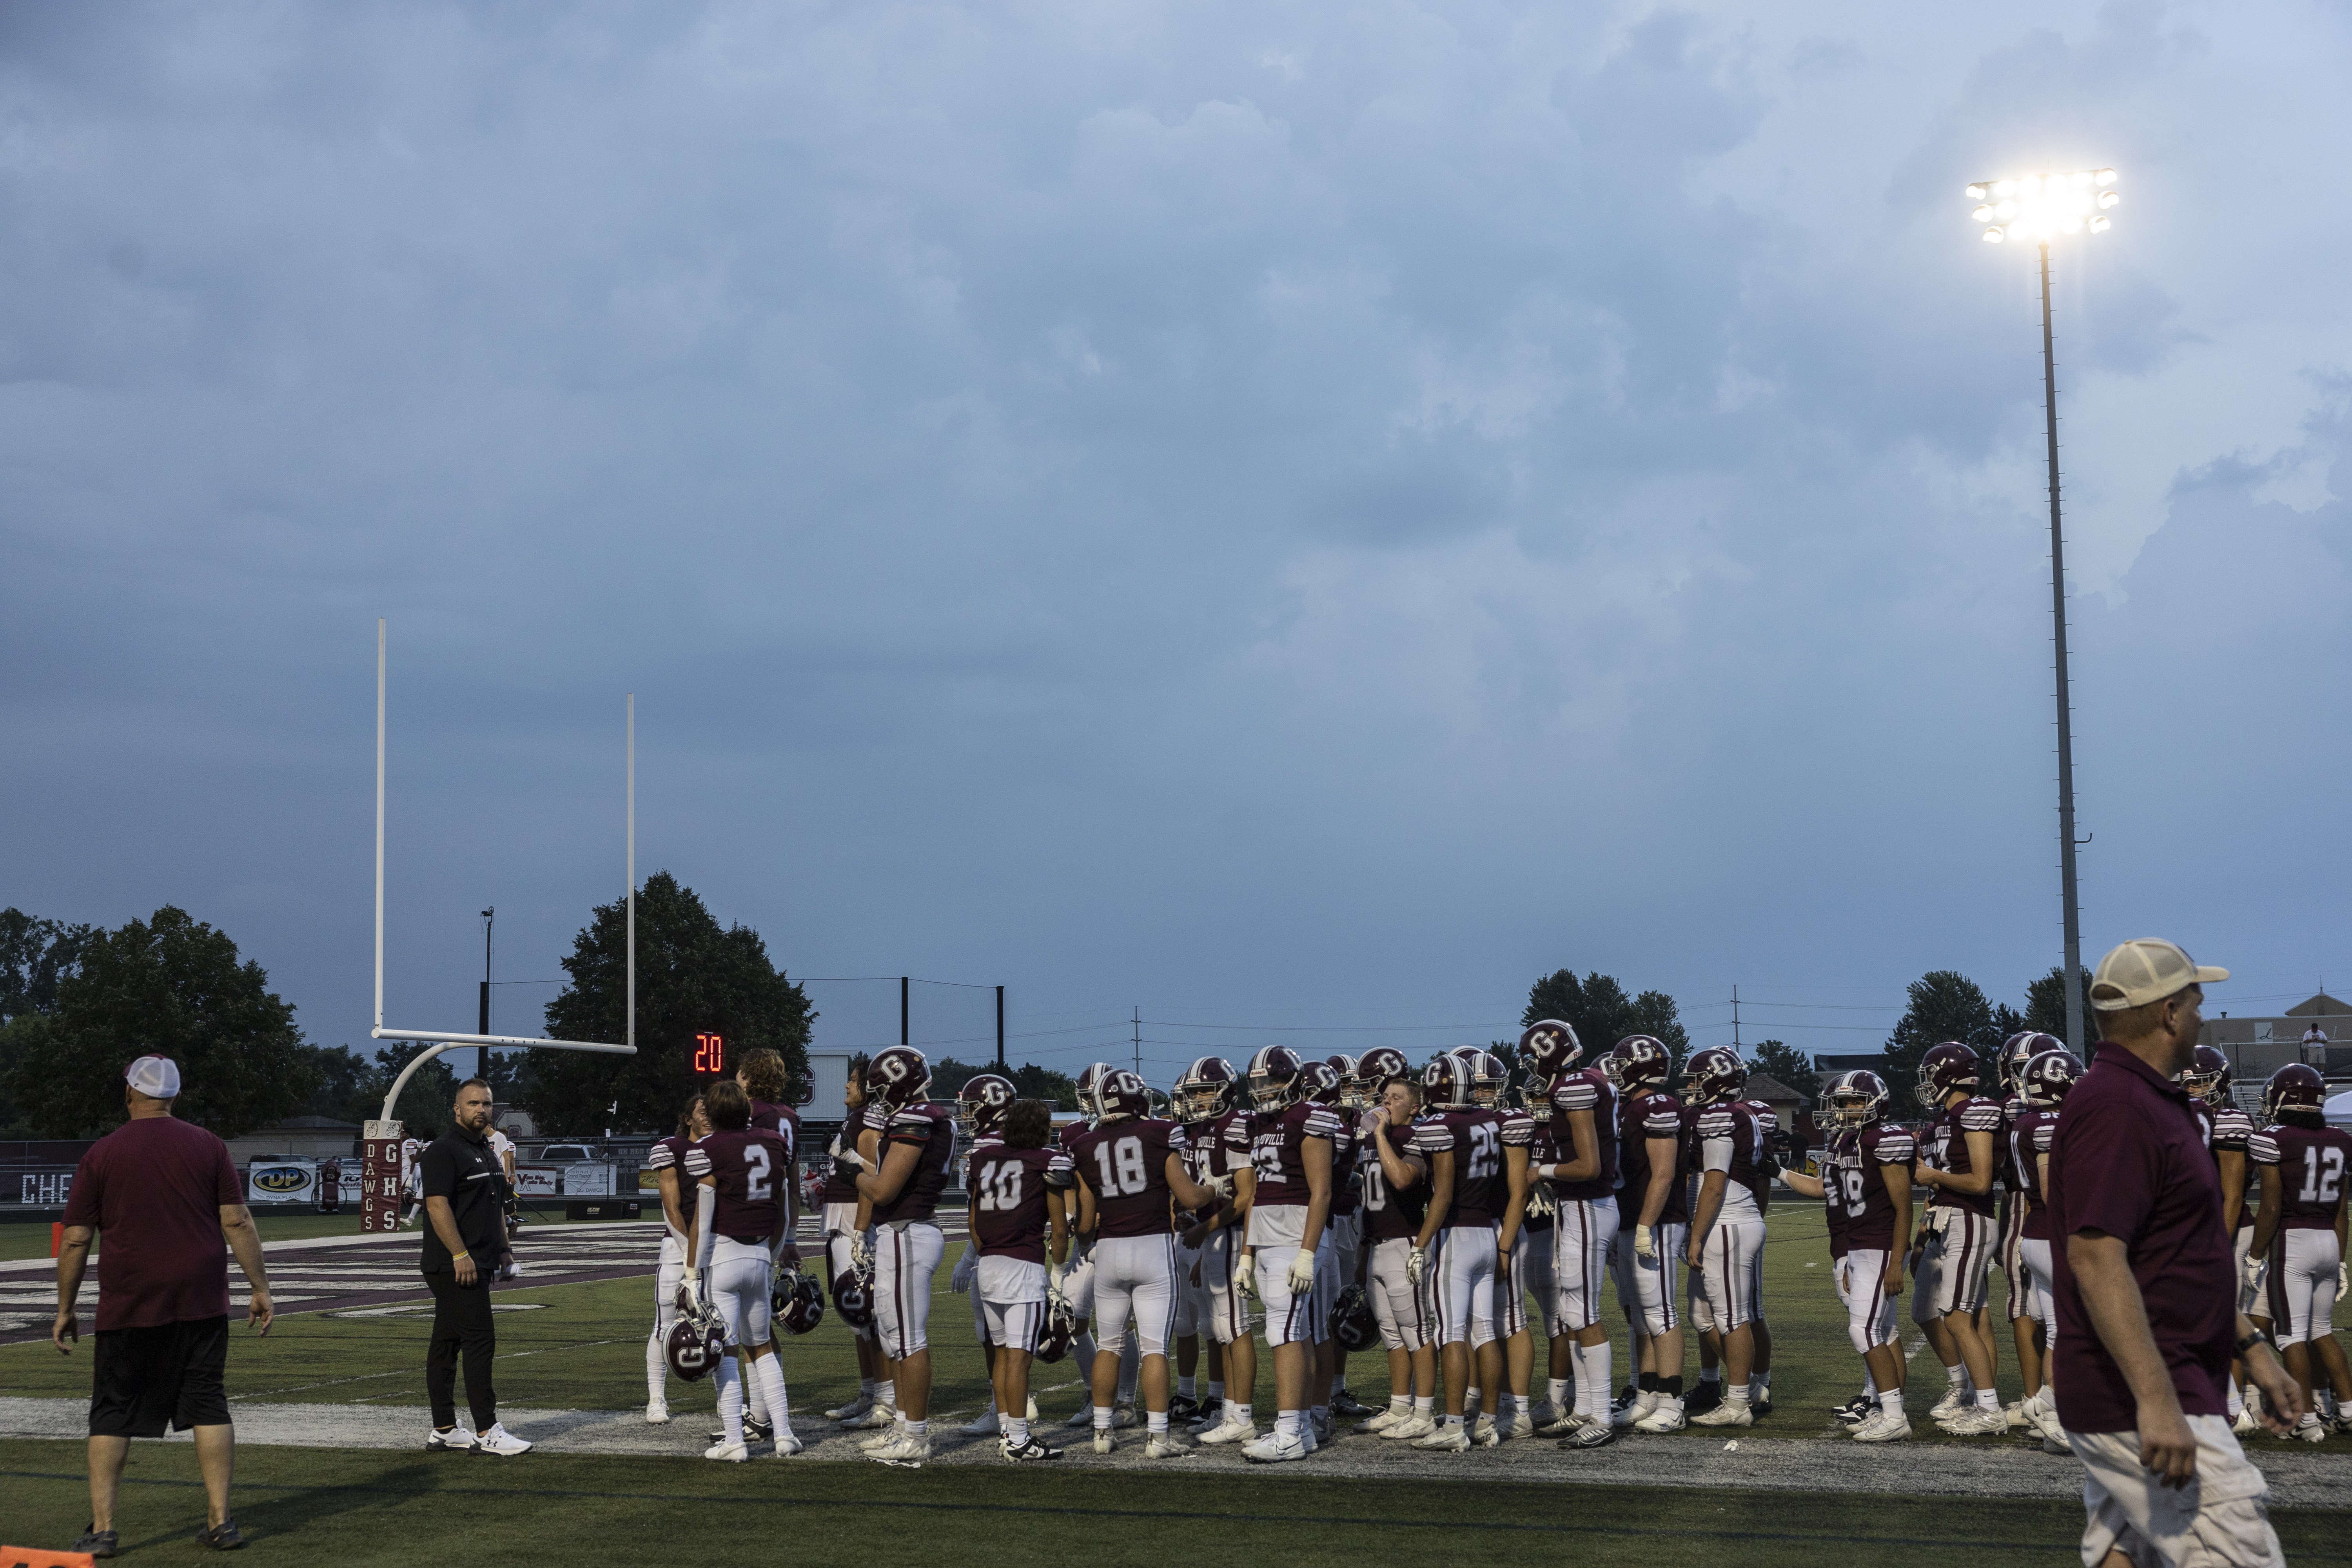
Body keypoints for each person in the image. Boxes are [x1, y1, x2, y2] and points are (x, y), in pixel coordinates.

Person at [2048, 938, 2301, 1568]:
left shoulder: (2148, 1099)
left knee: (2125, 1556)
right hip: (2147, 1388)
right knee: (2242, 1553)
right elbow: (2097, 1257)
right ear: (2167, 1013)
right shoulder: (2119, 1105)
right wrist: (2157, 1398)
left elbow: (2178, 1259)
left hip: (2155, 1377)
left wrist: (2250, 1349)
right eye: (2195, 1000)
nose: (2202, 1014)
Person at [54, 1055, 273, 1555]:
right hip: (200, 1295)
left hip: (130, 1298)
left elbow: (76, 1239)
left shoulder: (103, 1153)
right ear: (175, 1095)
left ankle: (105, 1529)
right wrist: (259, 1286)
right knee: (208, 1401)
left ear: (129, 1092)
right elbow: (237, 1220)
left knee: (112, 1410)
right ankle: (221, 1522)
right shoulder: (209, 1145)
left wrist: (65, 1306)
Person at [1067, 1067, 1218, 1456]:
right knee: (1153, 1349)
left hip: (1110, 1251)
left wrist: (1083, 1241)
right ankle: (1158, 1438)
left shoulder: (1085, 1144)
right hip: (1152, 1248)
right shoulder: (1157, 1134)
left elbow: (1084, 1223)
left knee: (1108, 1346)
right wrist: (1213, 1187)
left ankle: (1102, 1433)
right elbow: (1189, 1198)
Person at [842, 1044, 956, 1467]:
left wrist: (849, 1170)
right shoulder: (921, 1116)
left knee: (909, 1339)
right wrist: (853, 1160)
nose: (879, 1097)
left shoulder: (917, 1118)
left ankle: (917, 1435)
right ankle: (904, 1426)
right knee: (894, 1336)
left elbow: (884, 1189)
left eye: (881, 1089)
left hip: (909, 1231)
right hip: (900, 1232)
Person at [680, 1079, 799, 1461]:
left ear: (713, 1114)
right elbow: (782, 1206)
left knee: (727, 1350)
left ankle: (735, 1439)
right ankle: (784, 1434)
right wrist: (773, 1251)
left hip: (724, 1258)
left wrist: (691, 1275)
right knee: (762, 1347)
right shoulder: (773, 1141)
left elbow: (703, 1215)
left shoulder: (708, 1148)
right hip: (760, 1255)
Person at [1235, 1044, 1339, 1464]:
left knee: (1282, 1332)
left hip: (1296, 1237)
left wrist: (1308, 1252)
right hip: (1267, 1236)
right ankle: (1304, 1428)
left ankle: (1289, 1433)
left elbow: (1322, 1190)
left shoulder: (1308, 1117)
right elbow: (1256, 1194)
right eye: (1258, 1084)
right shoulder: (1260, 1123)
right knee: (1297, 1332)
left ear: (1293, 1080)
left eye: (1272, 1082)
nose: (1265, 1091)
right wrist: (1245, 1254)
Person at [1519, 1019, 1619, 1448]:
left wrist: (1539, 1170)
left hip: (1588, 1204)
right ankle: (1584, 1409)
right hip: (1580, 1206)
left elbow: (1588, 1166)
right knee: (1570, 1310)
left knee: (1583, 1313)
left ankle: (1601, 1414)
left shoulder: (1573, 1087)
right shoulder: (1588, 1079)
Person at [957, 1091, 1071, 1460]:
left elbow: (974, 1221)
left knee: (1004, 1354)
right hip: (1022, 1267)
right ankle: (1020, 1440)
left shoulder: (985, 1158)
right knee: (1020, 1357)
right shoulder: (1045, 1161)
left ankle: (1008, 1431)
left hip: (988, 1266)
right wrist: (1057, 1273)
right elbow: (1058, 1230)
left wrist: (988, 1249)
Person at [420, 1078, 530, 1457]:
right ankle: (487, 1431)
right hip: (453, 1264)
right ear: (457, 1109)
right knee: (480, 1340)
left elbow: (496, 1204)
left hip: (479, 1260)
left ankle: (445, 1428)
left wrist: (504, 1250)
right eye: (473, 1104)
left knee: (447, 1343)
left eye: (486, 1104)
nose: (481, 1110)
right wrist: (459, 1254)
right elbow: (437, 1206)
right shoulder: (443, 1150)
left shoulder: (486, 1148)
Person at [2244, 1063, 2352, 1441]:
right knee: (2322, 1330)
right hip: (2327, 1239)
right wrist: (2339, 1259)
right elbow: (2342, 1210)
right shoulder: (2340, 1138)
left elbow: (2271, 1207)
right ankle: (2348, 1410)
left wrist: (2255, 1254)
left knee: (2291, 1336)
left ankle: (2305, 1419)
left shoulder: (2274, 1138)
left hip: (2294, 1241)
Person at [1909, 1040, 2007, 1434]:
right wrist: (1920, 1238)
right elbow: (1935, 1192)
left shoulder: (1974, 1112)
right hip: (1942, 1221)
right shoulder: (1937, 1125)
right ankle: (1965, 1390)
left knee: (1959, 1315)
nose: (1925, 1084)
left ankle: (1987, 1406)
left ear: (1946, 1076)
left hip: (1969, 1220)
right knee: (1930, 1310)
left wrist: (1934, 1176)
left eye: (1929, 1075)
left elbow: (1981, 1181)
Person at [1608, 1034, 1688, 1432]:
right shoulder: (1629, 1107)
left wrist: (1645, 1224)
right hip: (1630, 1218)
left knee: (1661, 1312)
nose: (1615, 1071)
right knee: (1638, 1315)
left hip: (1655, 1221)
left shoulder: (1658, 1105)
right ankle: (1647, 1394)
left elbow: (1664, 1172)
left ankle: (1673, 1403)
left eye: (1621, 1064)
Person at [642, 1094, 709, 1424]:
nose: (709, 1115)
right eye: (701, 1110)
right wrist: (689, 1255)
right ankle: (656, 1400)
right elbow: (671, 1209)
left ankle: (731, 1401)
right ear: (688, 1119)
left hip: (717, 1248)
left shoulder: (722, 1148)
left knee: (721, 1327)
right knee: (664, 1325)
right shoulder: (673, 1148)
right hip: (679, 1248)